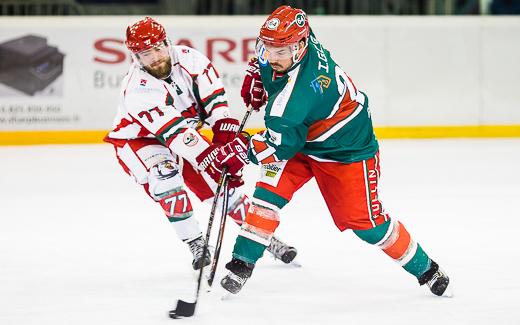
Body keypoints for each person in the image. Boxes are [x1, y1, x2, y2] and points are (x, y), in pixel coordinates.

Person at [215, 6, 452, 298]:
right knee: (266, 198)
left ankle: (426, 268)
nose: (272, 57)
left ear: (300, 46)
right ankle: (241, 264)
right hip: (300, 136)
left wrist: (241, 149)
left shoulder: (293, 101)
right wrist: (257, 69)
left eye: (281, 51)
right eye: (268, 49)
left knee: (367, 224)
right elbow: (283, 33)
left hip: (345, 150)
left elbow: (279, 144)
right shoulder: (300, 37)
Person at [103, 17, 297, 272]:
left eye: (158, 48)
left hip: (185, 136)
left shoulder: (191, 59)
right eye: (146, 53)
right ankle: (196, 243)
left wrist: (224, 136)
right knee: (166, 176)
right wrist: (214, 156)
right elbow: (175, 134)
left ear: (167, 42)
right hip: (141, 141)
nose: (155, 57)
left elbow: (216, 105)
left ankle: (263, 238)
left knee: (224, 188)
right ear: (135, 57)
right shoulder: (137, 90)